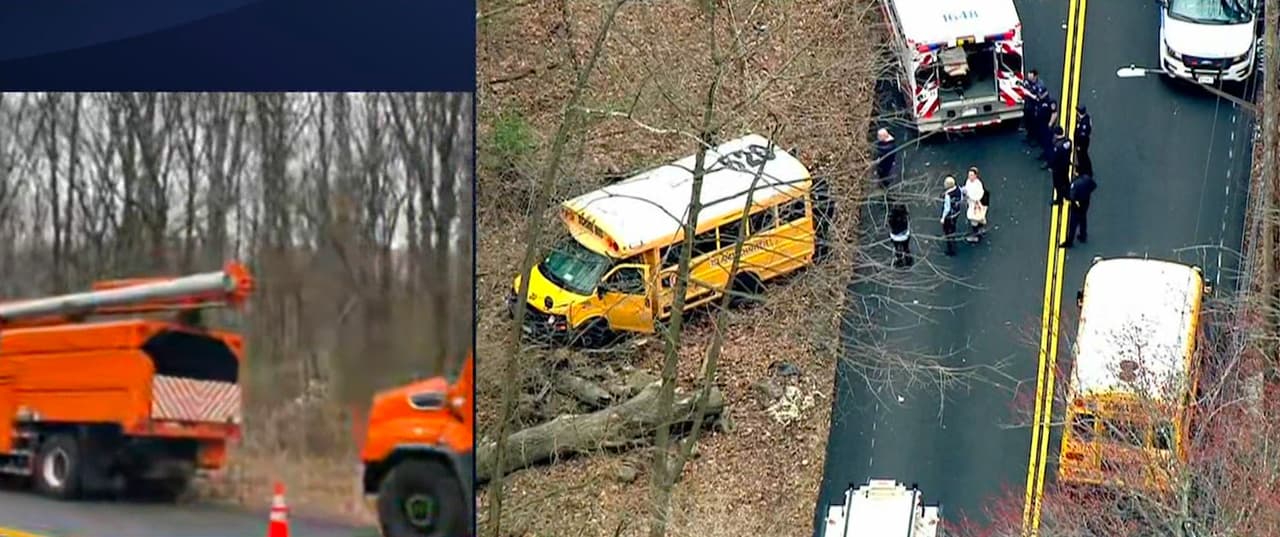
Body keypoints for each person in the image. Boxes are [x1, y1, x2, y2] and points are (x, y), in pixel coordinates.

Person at [1060, 172, 1097, 248]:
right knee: (1083, 218)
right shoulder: (1087, 178)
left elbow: (1071, 197)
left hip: (1077, 204)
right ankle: (1083, 235)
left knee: (1073, 223)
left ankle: (1069, 241)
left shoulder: (1074, 185)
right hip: (1085, 202)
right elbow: (1094, 186)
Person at [939, 175, 964, 256]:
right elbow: (961, 198)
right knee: (953, 227)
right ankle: (953, 237)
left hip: (949, 216)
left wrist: (943, 218)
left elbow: (947, 208)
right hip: (956, 212)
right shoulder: (958, 189)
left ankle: (951, 249)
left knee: (947, 231)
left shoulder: (948, 196)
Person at [1048, 127, 1073, 204]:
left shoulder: (1057, 146)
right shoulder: (1068, 141)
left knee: (1058, 184)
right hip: (1066, 165)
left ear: (1056, 134)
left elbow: (1054, 158)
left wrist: (1051, 166)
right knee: (1066, 180)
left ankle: (1059, 200)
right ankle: (1068, 195)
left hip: (1058, 168)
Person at [964, 167, 988, 243]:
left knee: (973, 219)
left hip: (975, 203)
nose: (969, 176)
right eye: (969, 175)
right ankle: (979, 230)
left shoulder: (978, 184)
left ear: (975, 176)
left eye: (971, 175)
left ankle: (975, 235)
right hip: (971, 203)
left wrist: (971, 197)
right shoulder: (968, 181)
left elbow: (980, 194)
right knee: (976, 218)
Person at [1021, 70, 1045, 144]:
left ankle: (1035, 139)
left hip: (1035, 107)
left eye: (1031, 77)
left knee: (1035, 123)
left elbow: (1039, 98)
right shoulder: (1027, 81)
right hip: (1028, 105)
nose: (1029, 78)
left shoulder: (1040, 85)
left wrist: (1028, 94)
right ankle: (1029, 136)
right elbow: (1024, 86)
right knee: (1027, 122)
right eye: (1029, 77)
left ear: (1035, 76)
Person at [887, 202, 914, 268]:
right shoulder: (905, 216)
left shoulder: (891, 216)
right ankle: (908, 259)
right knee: (906, 246)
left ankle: (898, 259)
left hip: (895, 236)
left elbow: (889, 225)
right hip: (904, 235)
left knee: (896, 247)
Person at [1037, 93, 1060, 162]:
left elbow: (1054, 113)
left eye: (1041, 94)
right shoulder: (1041, 100)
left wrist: (1050, 123)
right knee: (1043, 141)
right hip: (1042, 124)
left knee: (1048, 142)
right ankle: (1044, 153)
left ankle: (1048, 160)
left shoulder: (1051, 101)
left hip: (1048, 125)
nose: (1040, 95)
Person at [1074, 105, 1093, 176]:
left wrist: (1079, 146)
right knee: (1081, 156)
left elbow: (1082, 137)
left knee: (1083, 157)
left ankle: (1085, 171)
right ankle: (1081, 169)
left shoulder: (1084, 124)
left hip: (1082, 143)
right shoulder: (1086, 117)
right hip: (1082, 142)